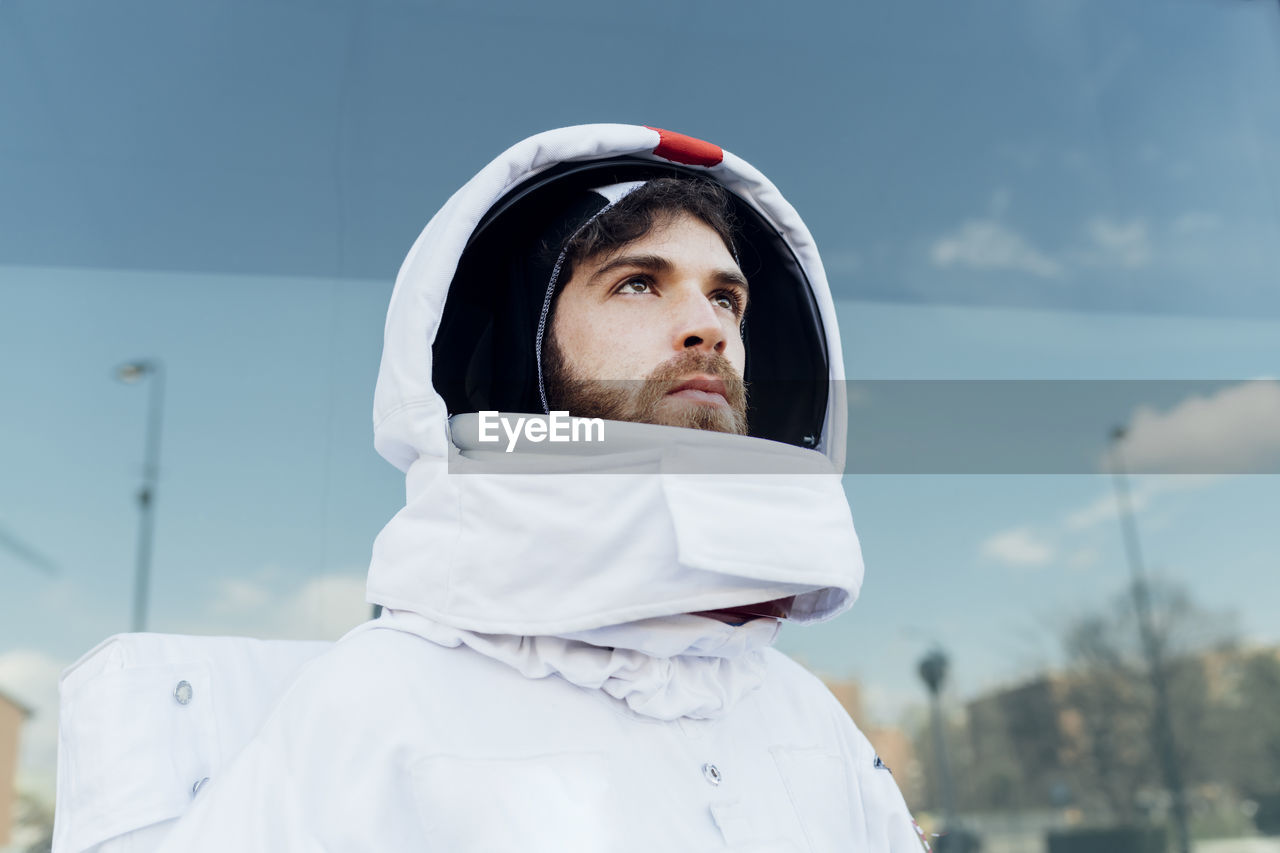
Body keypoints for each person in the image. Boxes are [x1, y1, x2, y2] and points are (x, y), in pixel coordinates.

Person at [149, 124, 928, 852]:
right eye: (637, 284)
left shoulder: (808, 719)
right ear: (525, 350)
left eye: (726, 297)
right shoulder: (376, 707)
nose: (708, 326)